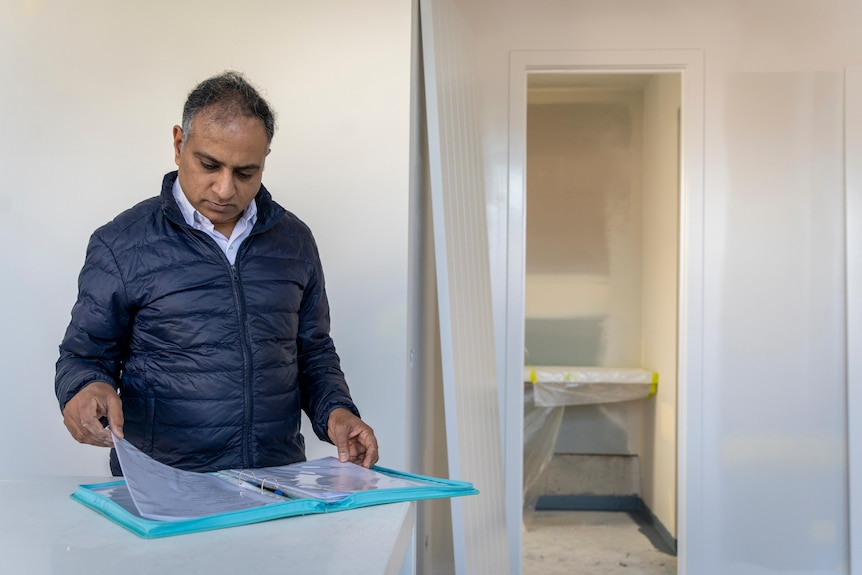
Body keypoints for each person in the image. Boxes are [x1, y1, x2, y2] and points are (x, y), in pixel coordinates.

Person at [54, 71, 378, 475]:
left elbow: (312, 352)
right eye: (209, 165)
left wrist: (337, 412)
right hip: (163, 484)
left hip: (274, 484)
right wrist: (87, 388)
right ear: (178, 143)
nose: (225, 189)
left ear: (264, 160)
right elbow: (82, 356)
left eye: (246, 172)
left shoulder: (294, 242)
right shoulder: (121, 243)